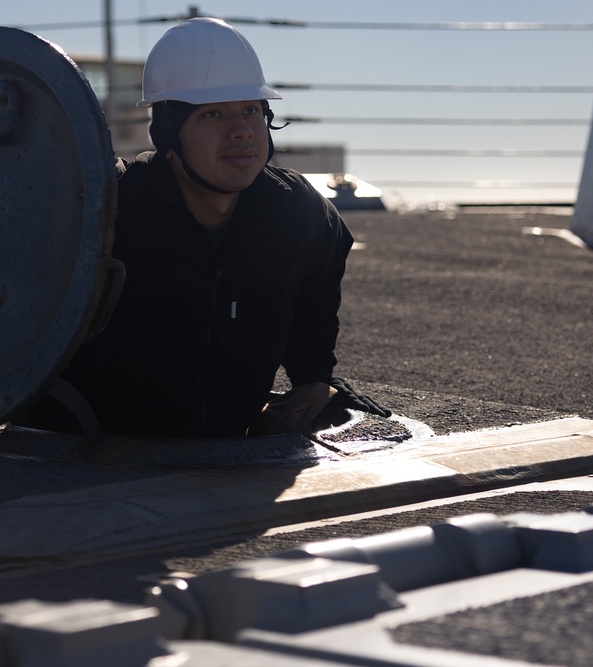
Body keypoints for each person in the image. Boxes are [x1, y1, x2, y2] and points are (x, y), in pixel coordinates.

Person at [45, 17, 389, 438]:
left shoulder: (298, 211)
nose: (242, 130)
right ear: (169, 133)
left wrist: (313, 377)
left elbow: (320, 277)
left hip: (231, 458)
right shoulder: (109, 209)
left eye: (251, 110)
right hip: (95, 462)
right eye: (213, 114)